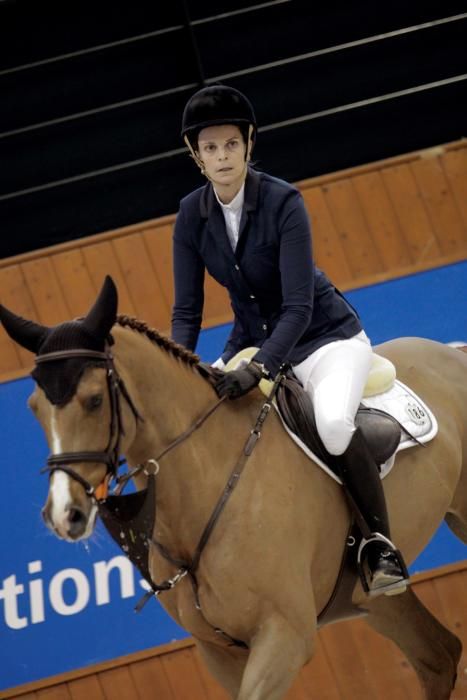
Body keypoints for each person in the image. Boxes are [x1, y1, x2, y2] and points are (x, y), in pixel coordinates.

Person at [171, 84, 408, 595]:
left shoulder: (283, 202)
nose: (222, 157)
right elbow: (186, 311)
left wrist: (258, 370)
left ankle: (381, 546)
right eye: (210, 148)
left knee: (334, 425)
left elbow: (298, 306)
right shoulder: (191, 215)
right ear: (196, 155)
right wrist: (181, 369)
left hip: (324, 339)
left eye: (230, 144)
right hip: (250, 341)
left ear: (249, 143)